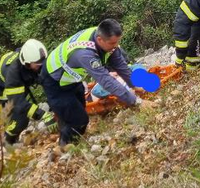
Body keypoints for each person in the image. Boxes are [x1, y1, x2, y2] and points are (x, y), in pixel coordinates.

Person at [42, 19, 154, 147]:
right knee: (80, 120)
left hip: (73, 79)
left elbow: (121, 66)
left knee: (78, 109)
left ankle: (69, 130)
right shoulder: (85, 54)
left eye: (118, 41)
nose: (116, 46)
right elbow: (107, 81)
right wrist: (137, 102)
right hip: (54, 81)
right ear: (100, 40)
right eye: (113, 43)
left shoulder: (104, 36)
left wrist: (134, 85)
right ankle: (65, 147)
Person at [0, 39, 54, 144]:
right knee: (20, 119)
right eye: (38, 64)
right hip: (1, 89)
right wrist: (41, 114)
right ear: (26, 63)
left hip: (19, 80)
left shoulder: (32, 61)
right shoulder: (13, 74)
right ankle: (8, 140)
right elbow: (18, 102)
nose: (41, 65)